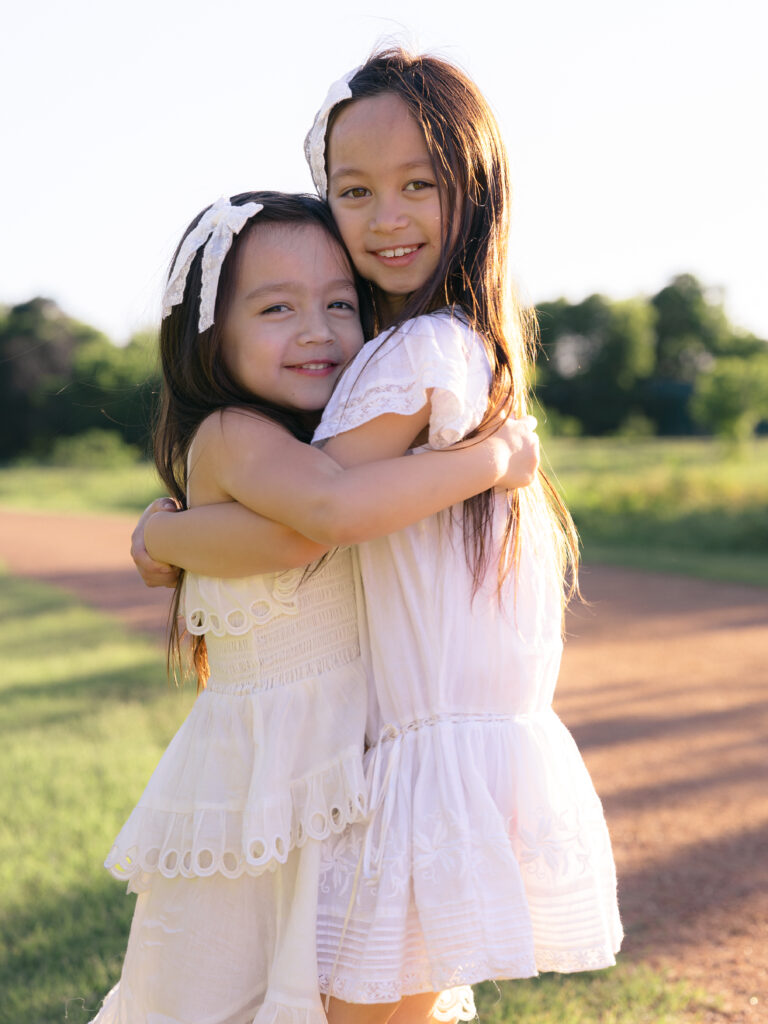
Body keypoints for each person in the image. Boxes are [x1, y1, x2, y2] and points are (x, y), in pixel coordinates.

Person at [136, 49, 622, 1024]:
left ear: (475, 190)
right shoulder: (418, 358)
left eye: (419, 185)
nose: (388, 217)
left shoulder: (420, 354)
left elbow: (313, 522)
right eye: (356, 190)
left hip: (411, 756)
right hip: (379, 754)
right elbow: (310, 515)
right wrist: (168, 537)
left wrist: (166, 538)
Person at [90, 190, 539, 1024]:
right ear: (208, 333)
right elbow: (321, 523)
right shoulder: (231, 433)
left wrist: (162, 539)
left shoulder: (323, 438)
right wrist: (494, 457)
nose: (317, 330)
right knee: (225, 992)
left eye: (340, 303)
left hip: (336, 765)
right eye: (276, 308)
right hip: (275, 773)